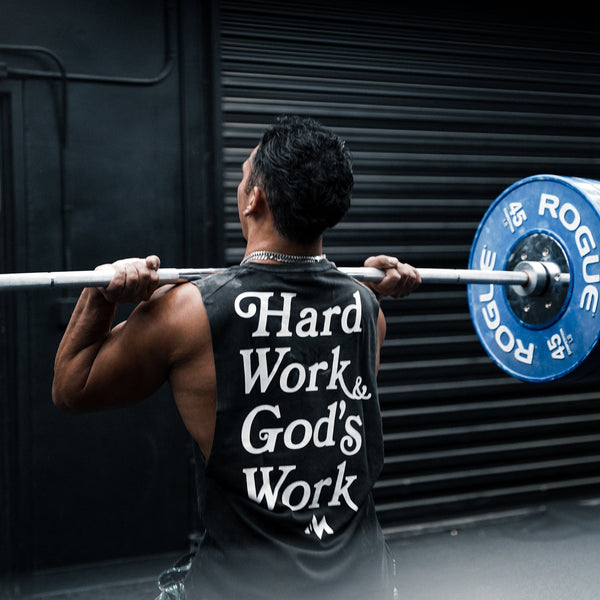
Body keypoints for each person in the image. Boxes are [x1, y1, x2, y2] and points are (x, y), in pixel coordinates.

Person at [52, 115, 421, 599]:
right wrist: (362, 283)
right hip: (362, 581)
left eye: (244, 176)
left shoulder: (187, 312)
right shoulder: (367, 308)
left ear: (255, 199)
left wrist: (100, 293)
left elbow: (71, 386)